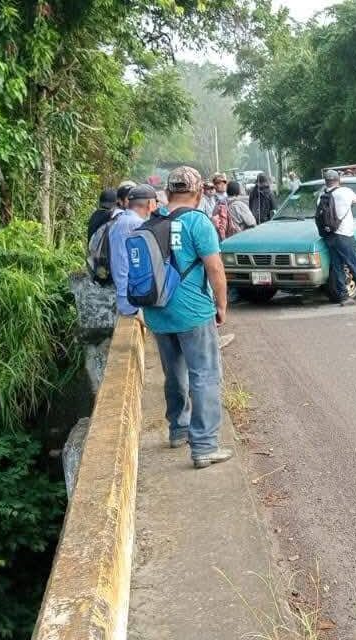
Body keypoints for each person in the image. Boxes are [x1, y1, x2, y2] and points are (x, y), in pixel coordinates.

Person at [145, 166, 232, 469]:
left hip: (157, 312)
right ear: (196, 194)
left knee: (174, 374)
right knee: (204, 375)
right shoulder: (198, 222)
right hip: (193, 311)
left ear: (168, 193)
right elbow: (215, 269)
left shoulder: (151, 221)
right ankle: (205, 445)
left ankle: (178, 430)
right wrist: (221, 305)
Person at [322, 170, 356, 305]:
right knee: (355, 265)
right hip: (345, 236)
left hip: (329, 236)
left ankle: (344, 298)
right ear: (338, 180)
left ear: (326, 182)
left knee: (337, 267)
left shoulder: (322, 195)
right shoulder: (345, 191)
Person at [109, 184, 159, 317]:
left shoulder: (118, 222)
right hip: (134, 300)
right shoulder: (138, 225)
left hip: (124, 297)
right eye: (156, 203)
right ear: (150, 204)